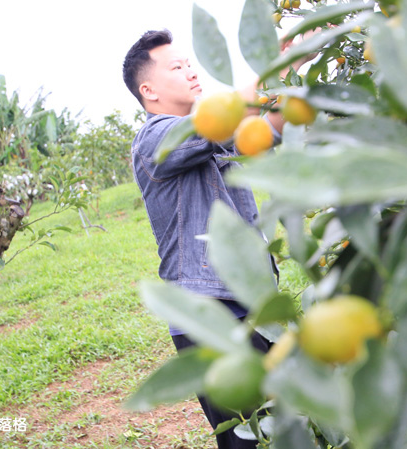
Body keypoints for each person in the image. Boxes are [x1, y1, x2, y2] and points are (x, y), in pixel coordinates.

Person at [122, 29, 311, 449]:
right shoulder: (153, 140)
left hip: (252, 301)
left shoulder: (211, 131)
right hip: (207, 311)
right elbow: (223, 119)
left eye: (189, 63)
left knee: (286, 424)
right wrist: (283, 65)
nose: (190, 70)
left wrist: (310, 83)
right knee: (246, 438)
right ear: (148, 89)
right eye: (177, 66)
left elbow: (265, 129)